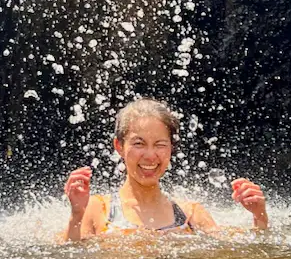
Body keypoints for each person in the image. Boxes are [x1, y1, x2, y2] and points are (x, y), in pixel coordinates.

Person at [62, 97, 268, 241]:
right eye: (139, 144)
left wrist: (259, 216)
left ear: (171, 148)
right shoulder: (97, 209)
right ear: (119, 147)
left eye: (160, 144)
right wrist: (76, 215)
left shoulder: (190, 215)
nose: (150, 156)